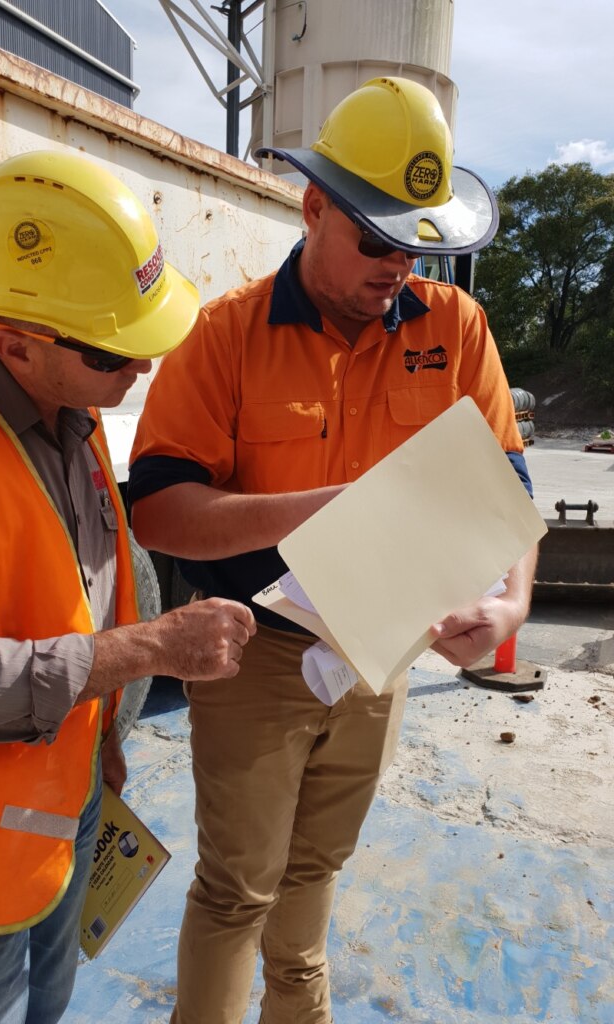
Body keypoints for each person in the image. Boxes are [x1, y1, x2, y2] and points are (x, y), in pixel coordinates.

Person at [127, 77, 537, 1024]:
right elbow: (159, 513)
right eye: (375, 239)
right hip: (254, 650)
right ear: (313, 207)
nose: (398, 264)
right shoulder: (225, 337)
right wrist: (319, 509)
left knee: (317, 866)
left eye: (415, 242)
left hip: (380, 647)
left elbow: (507, 486)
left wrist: (509, 603)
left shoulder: (455, 328)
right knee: (239, 888)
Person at [0, 149, 255, 1024]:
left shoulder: (73, 420)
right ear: (18, 343)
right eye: (117, 352)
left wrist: (107, 740)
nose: (138, 371)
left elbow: (83, 595)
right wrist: (152, 649)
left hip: (58, 812)